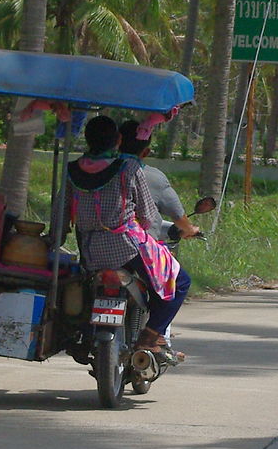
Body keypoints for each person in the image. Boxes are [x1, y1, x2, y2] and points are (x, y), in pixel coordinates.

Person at [65, 115, 191, 363]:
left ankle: (83, 335)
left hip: (90, 251)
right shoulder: (128, 168)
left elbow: (61, 212)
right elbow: (147, 216)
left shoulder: (71, 170)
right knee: (180, 281)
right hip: (127, 246)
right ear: (118, 140)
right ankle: (151, 336)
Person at [118, 120, 201, 241]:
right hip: (140, 249)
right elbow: (178, 216)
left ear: (117, 143)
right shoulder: (154, 177)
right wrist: (190, 229)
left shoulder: (100, 171)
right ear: (146, 152)